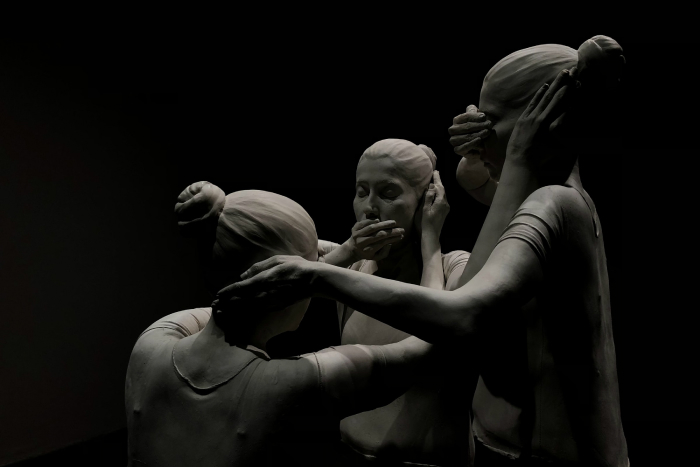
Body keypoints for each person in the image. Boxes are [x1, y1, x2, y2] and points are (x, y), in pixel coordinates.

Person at [216, 35, 629, 466]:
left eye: (490, 123)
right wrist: (481, 154)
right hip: (508, 444)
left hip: (550, 453)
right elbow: (481, 183)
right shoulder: (544, 196)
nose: (369, 206)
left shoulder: (552, 204)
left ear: (540, 123)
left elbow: (465, 313)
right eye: (361, 191)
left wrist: (319, 277)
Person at [124, 183, 452, 467]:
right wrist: (431, 241)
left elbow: (229, 300)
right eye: (312, 267)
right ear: (291, 283)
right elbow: (428, 339)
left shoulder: (153, 340)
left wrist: (346, 253)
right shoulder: (291, 383)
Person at [316, 139, 474, 466]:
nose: (370, 208)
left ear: (427, 201)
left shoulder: (456, 268)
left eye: (388, 193)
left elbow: (432, 323)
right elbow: (287, 280)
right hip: (348, 452)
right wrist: (348, 251)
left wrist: (430, 241)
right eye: (362, 192)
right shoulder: (352, 266)